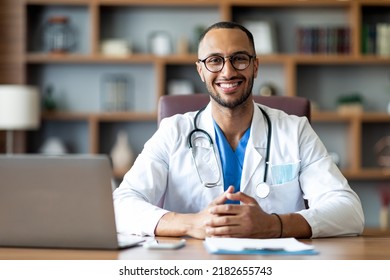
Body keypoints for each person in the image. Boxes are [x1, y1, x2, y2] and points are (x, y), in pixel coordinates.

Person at [113, 21, 364, 239]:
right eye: (214, 61)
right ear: (200, 70)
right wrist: (192, 223)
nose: (228, 71)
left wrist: (274, 224)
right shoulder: (173, 131)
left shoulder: (295, 130)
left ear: (255, 66)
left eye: (239, 59)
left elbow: (349, 211)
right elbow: (120, 205)